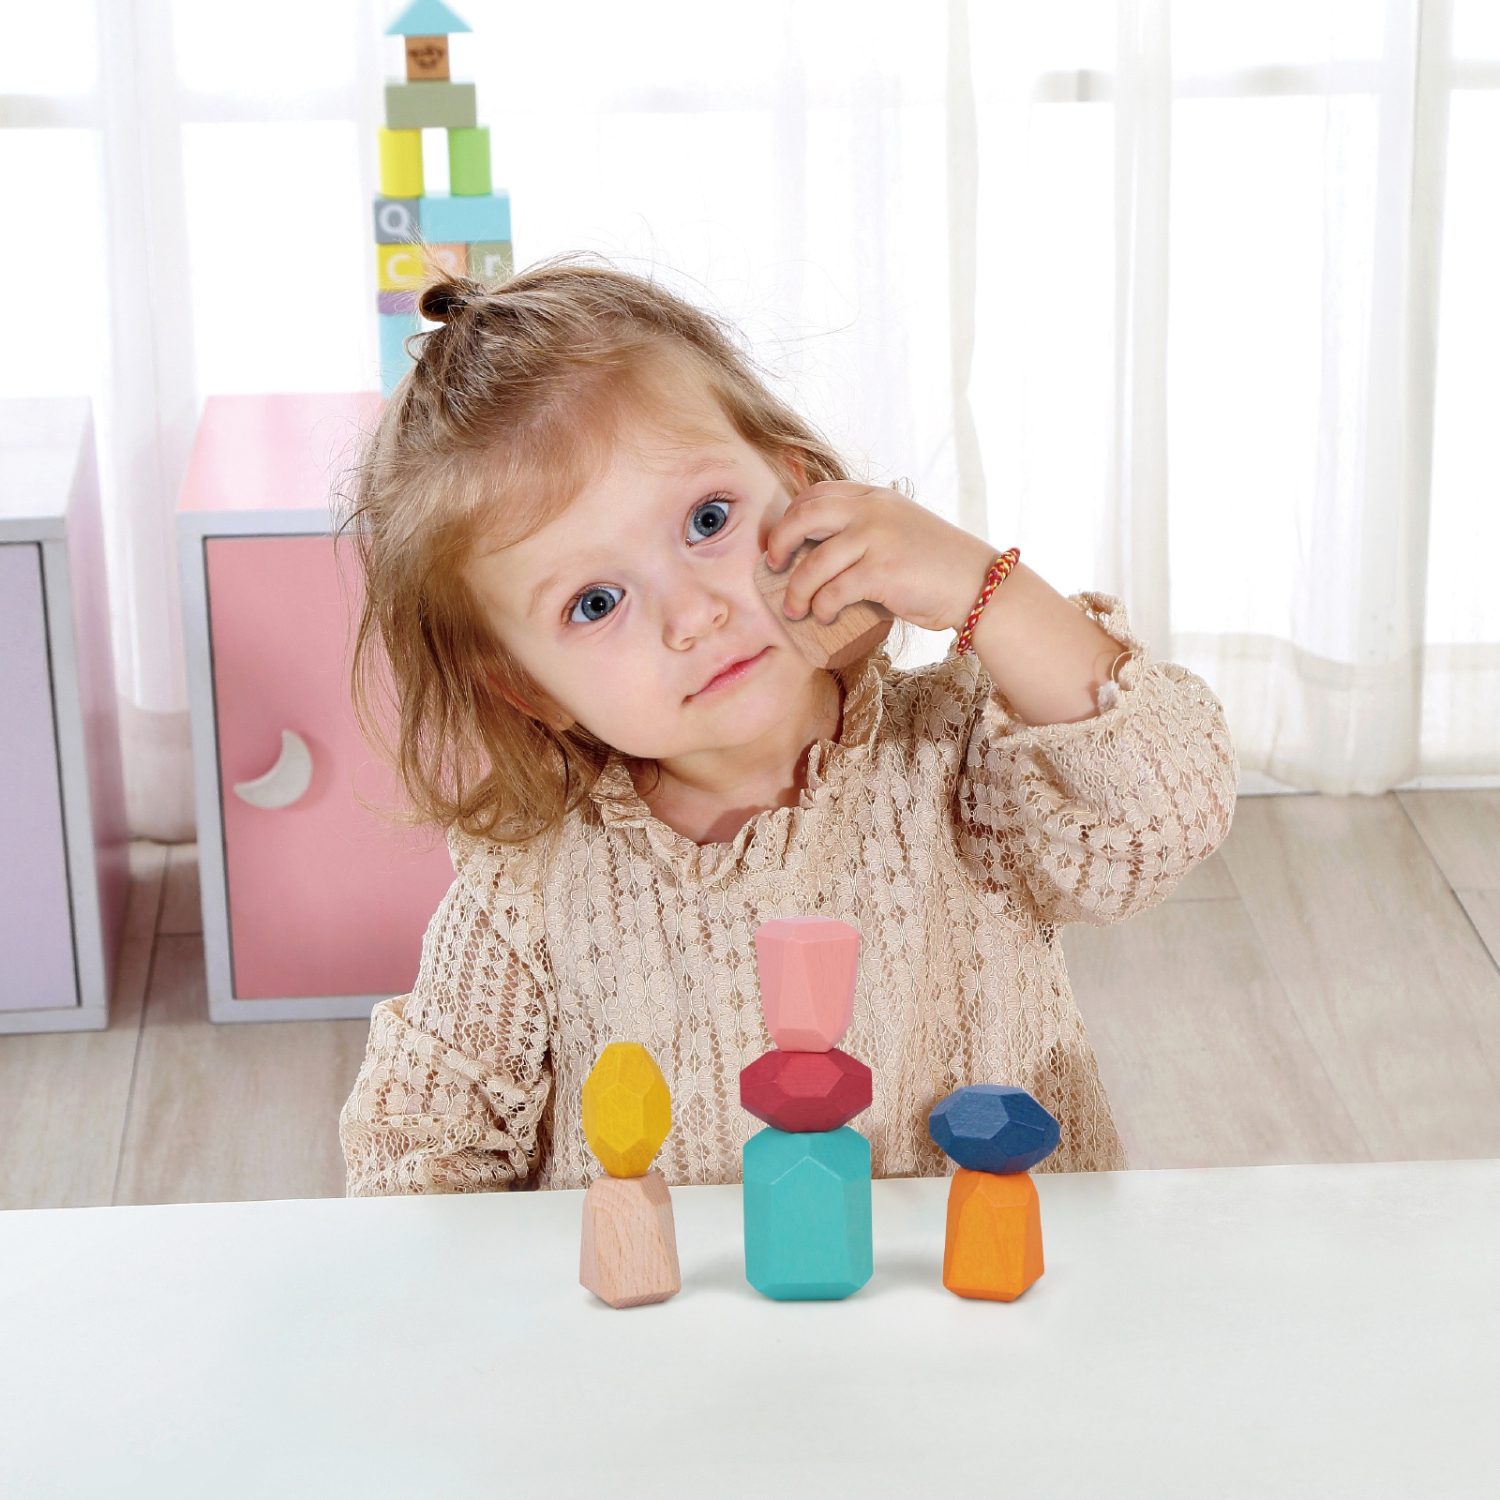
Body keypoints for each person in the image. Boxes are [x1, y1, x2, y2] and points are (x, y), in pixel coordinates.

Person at [338, 259, 1237, 1195]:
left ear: (801, 491)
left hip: (977, 1276)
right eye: (596, 602)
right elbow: (412, 1151)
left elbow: (1167, 814)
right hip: (691, 1293)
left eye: (707, 519)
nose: (693, 614)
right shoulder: (529, 887)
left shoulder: (964, 757)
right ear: (530, 690)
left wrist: (987, 592)